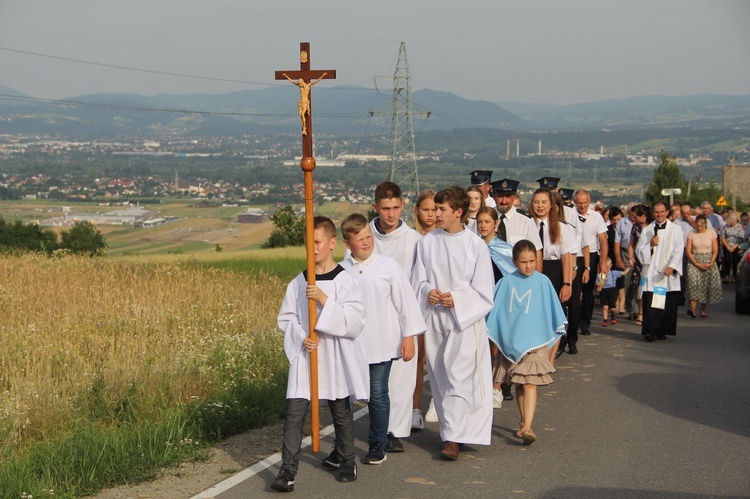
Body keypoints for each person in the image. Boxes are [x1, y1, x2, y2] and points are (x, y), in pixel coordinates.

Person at [273, 217, 367, 492]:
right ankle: (287, 470)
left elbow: (355, 320)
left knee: (340, 409)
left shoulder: (345, 281)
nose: (312, 248)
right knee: (294, 412)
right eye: (308, 242)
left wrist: (324, 300)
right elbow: (286, 318)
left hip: (335, 354)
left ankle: (348, 461)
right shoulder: (298, 282)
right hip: (306, 355)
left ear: (332, 243)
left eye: (317, 242)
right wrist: (302, 337)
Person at [411, 186, 495, 461]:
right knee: (441, 377)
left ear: (458, 212)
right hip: (435, 318)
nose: (436, 214)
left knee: (460, 378)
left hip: (463, 322)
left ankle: (453, 439)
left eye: (441, 209)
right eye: (434, 209)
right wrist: (427, 292)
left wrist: (457, 299)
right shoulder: (427, 242)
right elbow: (418, 280)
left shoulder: (476, 246)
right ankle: (454, 432)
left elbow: (484, 291)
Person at [339, 214, 425, 465]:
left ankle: (378, 443)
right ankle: (341, 445)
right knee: (345, 396)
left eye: (368, 237)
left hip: (382, 343)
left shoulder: (388, 266)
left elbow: (405, 302)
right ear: (347, 244)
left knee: (378, 393)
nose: (366, 243)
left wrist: (409, 337)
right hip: (352, 345)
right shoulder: (342, 271)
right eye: (359, 240)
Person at [486, 240, 567, 446]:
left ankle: (528, 426)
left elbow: (553, 315)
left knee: (530, 382)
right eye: (523, 262)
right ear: (514, 261)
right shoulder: (505, 283)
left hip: (536, 341)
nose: (528, 265)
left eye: (532, 261)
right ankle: (523, 423)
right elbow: (497, 314)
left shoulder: (543, 282)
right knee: (519, 383)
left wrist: (551, 349)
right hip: (512, 342)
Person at [364, 181, 422, 451]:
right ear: (375, 207)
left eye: (395, 208)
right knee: (374, 381)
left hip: (402, 319)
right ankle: (378, 427)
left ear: (403, 206)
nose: (390, 214)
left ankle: (393, 432)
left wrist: (411, 327)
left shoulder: (414, 241)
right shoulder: (365, 239)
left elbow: (419, 283)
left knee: (401, 378)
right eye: (385, 208)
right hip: (371, 318)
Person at [476, 205, 515, 408]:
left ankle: (497, 386)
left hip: (500, 302)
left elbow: (512, 277)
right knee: (479, 346)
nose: (483, 225)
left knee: (497, 346)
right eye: (480, 222)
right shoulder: (472, 247)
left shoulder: (505, 249)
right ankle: (481, 385)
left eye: (487, 222)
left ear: (496, 224)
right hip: (479, 302)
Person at [636, 201, 684, 342]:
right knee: (651, 303)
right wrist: (650, 245)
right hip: (652, 273)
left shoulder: (676, 229)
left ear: (667, 212)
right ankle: (650, 331)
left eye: (662, 211)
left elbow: (678, 249)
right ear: (653, 213)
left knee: (666, 303)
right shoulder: (647, 230)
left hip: (668, 272)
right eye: (656, 212)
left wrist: (672, 266)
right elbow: (639, 250)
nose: (659, 214)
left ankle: (662, 330)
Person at [411, 188, 436, 430]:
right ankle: (415, 408)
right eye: (425, 209)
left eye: (434, 210)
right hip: (415, 306)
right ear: (417, 211)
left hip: (438, 306)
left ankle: (438, 402)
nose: (430, 214)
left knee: (438, 359)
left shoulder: (441, 238)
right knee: (417, 359)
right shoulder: (412, 239)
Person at [574, 189, 608, 336]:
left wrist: (603, 262)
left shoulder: (596, 217)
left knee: (588, 291)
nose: (582, 206)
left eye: (585, 203)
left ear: (589, 201)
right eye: (579, 203)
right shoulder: (571, 215)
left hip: (592, 255)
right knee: (575, 290)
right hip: (575, 255)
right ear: (575, 202)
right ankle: (573, 320)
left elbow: (603, 241)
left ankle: (585, 322)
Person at [685, 215, 722, 318]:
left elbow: (715, 250)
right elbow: (688, 251)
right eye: (697, 226)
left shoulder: (711, 233)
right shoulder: (691, 234)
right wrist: (696, 263)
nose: (699, 228)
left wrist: (710, 262)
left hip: (708, 260)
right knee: (693, 284)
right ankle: (693, 309)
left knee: (705, 285)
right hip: (694, 260)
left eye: (701, 226)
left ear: (705, 224)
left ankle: (703, 309)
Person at [628, 204, 653, 326]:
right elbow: (631, 244)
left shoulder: (653, 227)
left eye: (636, 216)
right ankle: (641, 313)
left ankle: (652, 313)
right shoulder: (635, 227)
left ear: (643, 216)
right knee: (639, 288)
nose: (634, 219)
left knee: (651, 288)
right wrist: (630, 257)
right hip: (639, 262)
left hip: (652, 262)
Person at [614, 204, 636, 315]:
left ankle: (634, 306)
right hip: (625, 251)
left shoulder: (643, 222)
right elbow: (617, 242)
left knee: (637, 281)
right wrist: (618, 258)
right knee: (626, 280)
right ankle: (628, 305)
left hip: (639, 252)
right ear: (629, 212)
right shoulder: (622, 222)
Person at [597, 257, 630, 326]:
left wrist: (629, 267)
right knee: (604, 306)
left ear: (610, 266)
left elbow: (624, 273)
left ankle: (613, 316)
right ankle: (605, 320)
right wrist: (599, 285)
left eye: (608, 267)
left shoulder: (613, 273)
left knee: (612, 308)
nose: (607, 269)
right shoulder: (599, 275)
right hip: (604, 291)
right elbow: (597, 283)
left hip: (612, 291)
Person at [720, 213, 744, 284]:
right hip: (727, 245)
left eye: (733, 221)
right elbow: (723, 237)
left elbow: (740, 238)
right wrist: (727, 246)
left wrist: (733, 247)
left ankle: (734, 277)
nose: (732, 222)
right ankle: (727, 276)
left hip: (736, 245)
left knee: (735, 261)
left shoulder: (740, 227)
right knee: (727, 261)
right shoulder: (726, 226)